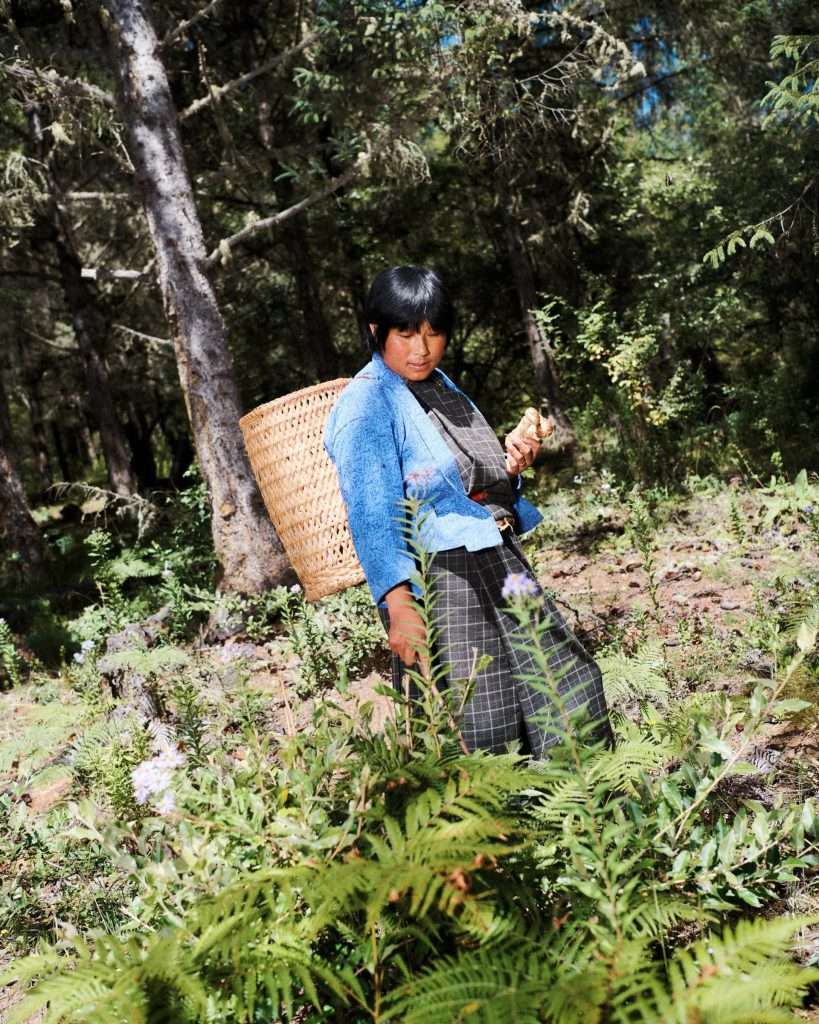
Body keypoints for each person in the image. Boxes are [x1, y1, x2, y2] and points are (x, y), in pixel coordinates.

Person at [324, 266, 612, 758]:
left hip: (495, 552)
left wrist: (512, 464)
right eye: (407, 333)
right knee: (480, 710)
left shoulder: (440, 385)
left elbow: (468, 477)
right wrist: (398, 606)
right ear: (376, 332)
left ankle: (584, 807)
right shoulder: (366, 403)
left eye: (434, 333)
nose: (422, 348)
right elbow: (372, 513)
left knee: (560, 677)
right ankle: (503, 824)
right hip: (442, 572)